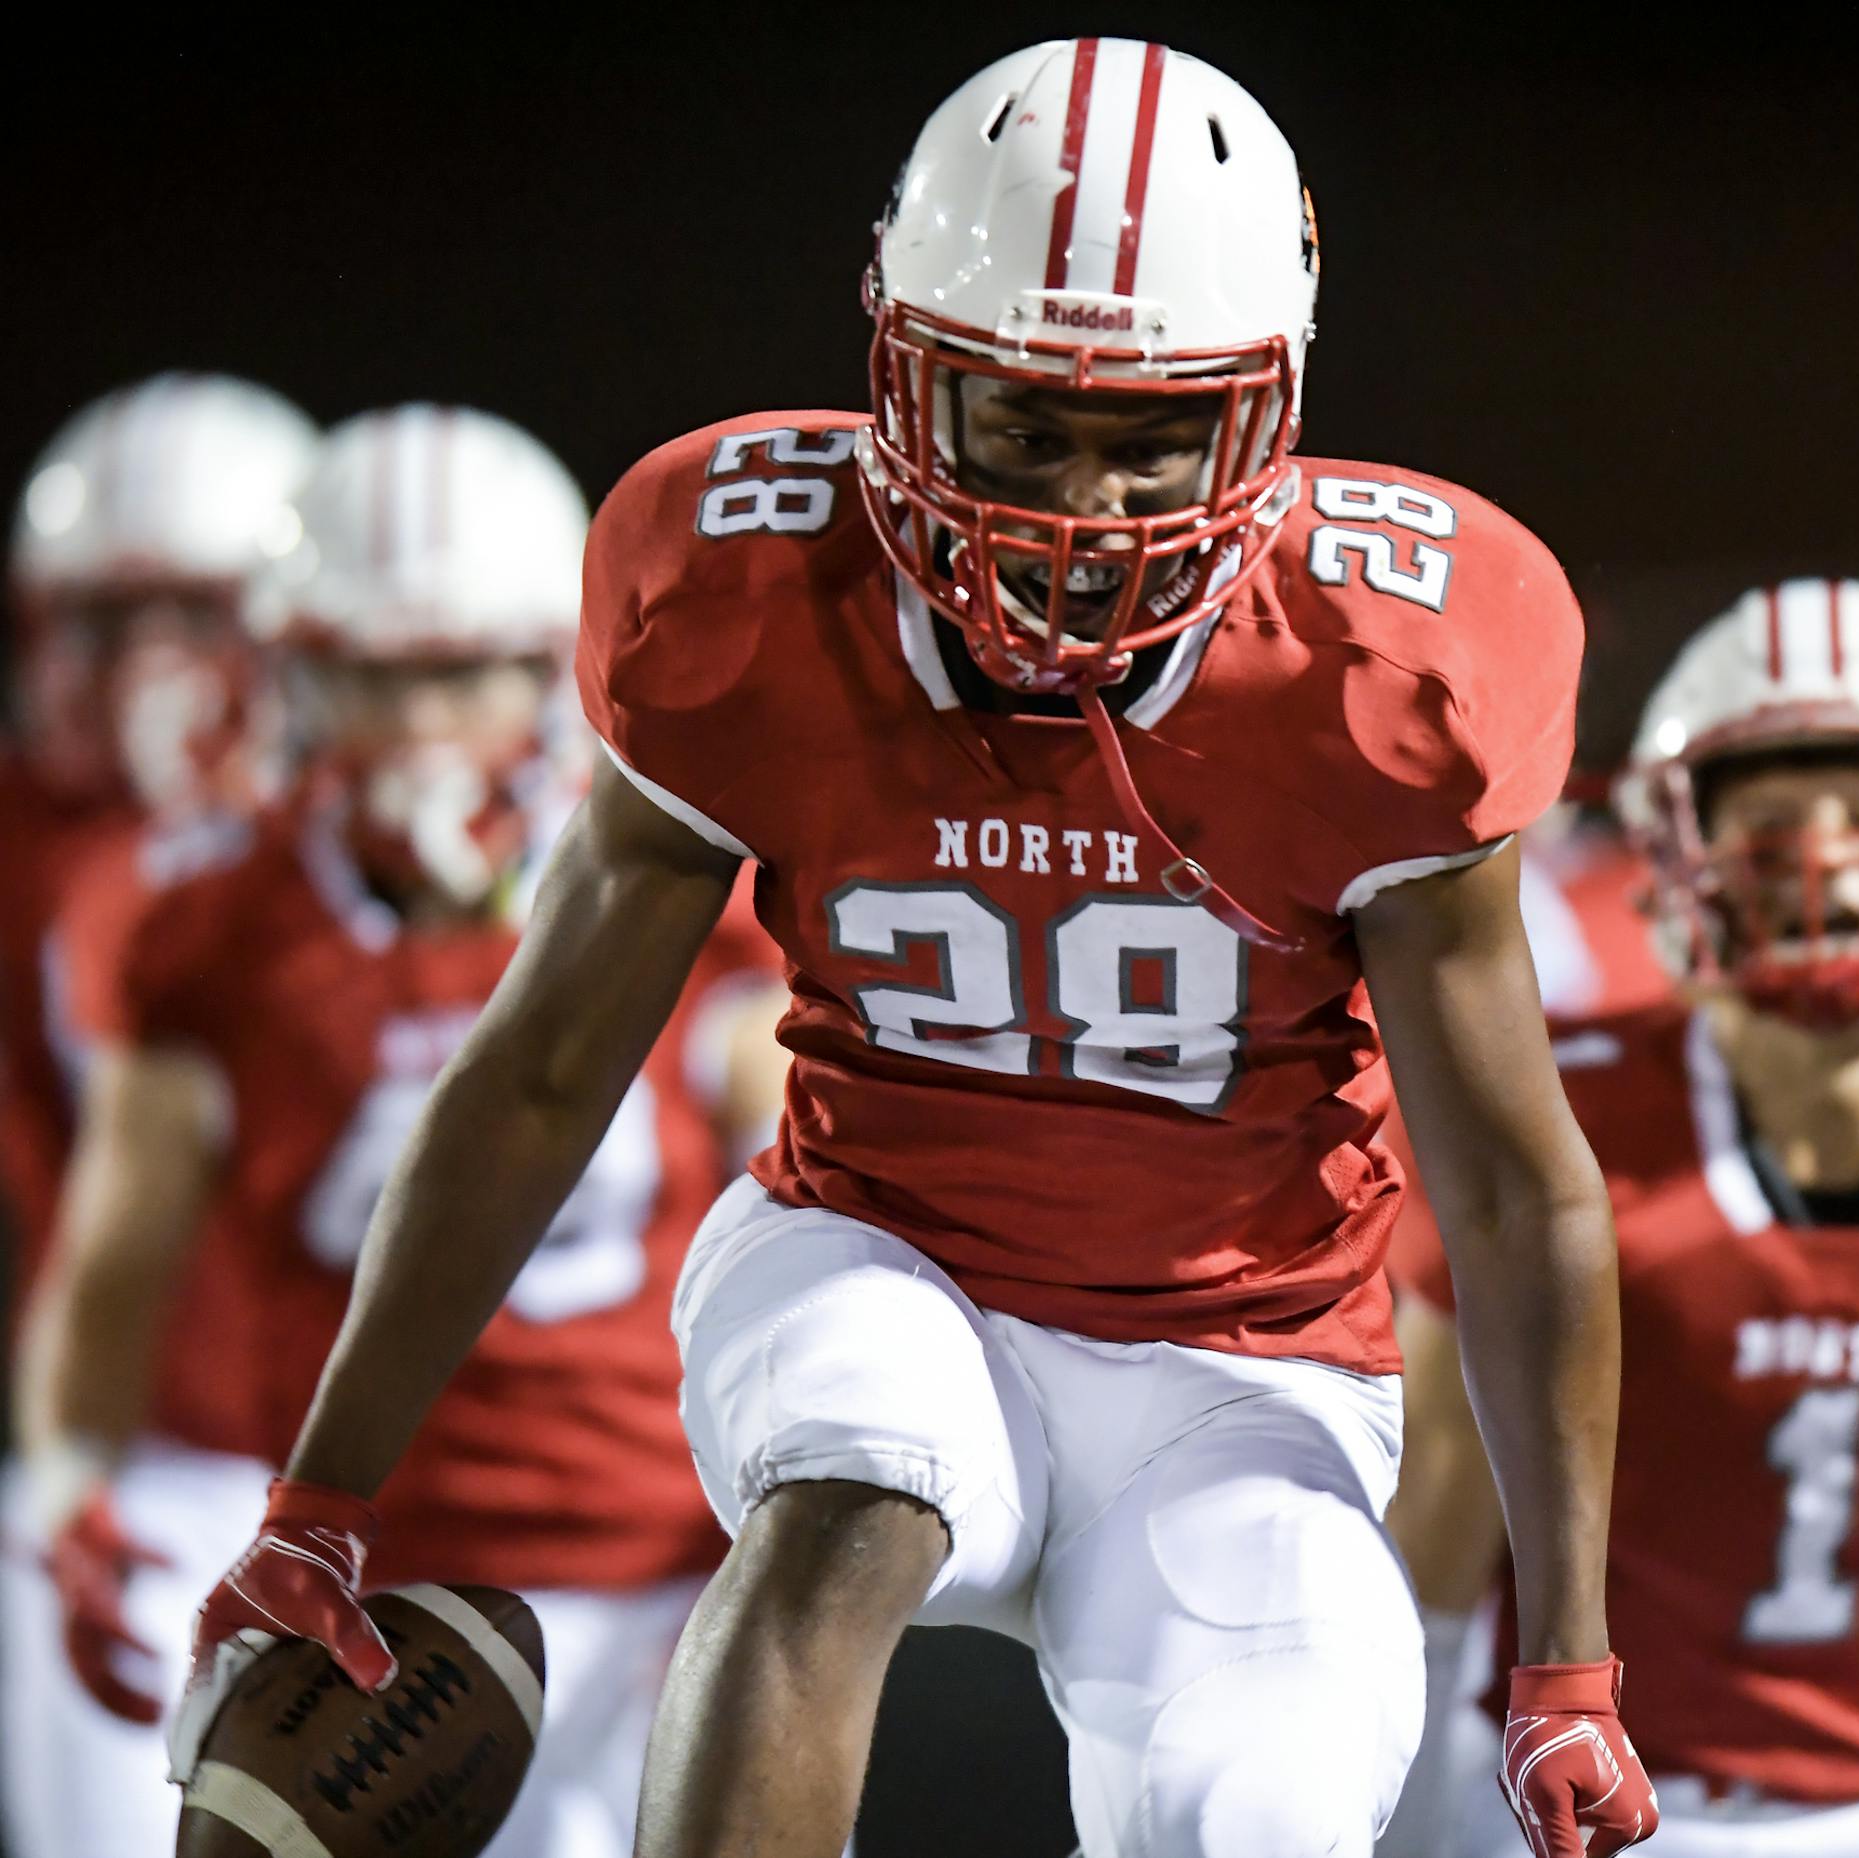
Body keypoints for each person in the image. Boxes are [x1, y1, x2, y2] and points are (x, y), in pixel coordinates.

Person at [170, 42, 1656, 1858]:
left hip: (1248, 1356)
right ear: (899, 372)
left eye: (1149, 437)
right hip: (875, 1253)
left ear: (1265, 416)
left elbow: (1517, 1192)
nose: (1082, 508)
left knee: (1248, 1808)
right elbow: (540, 1064)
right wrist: (325, 1491)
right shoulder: (744, 594)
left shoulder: (1388, 671)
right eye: (1022, 423)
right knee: (851, 1487)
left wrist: (1567, 1660)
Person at [13, 405, 788, 1857]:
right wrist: (72, 1477)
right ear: (297, 673)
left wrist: (786, 1535)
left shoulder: (683, 884)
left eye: (473, 671)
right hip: (370, 1586)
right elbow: (116, 1247)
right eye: (378, 678)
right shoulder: (213, 919)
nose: (430, 729)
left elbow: (806, 1196)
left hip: (660, 1566)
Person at [1396, 578, 1859, 1858]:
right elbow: (1424, 1562)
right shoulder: (1558, 1134)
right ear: (1672, 842)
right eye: (1774, 819)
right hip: (1579, 1814)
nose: (1826, 856)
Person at [0, 373, 319, 1857]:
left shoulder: (436, 849)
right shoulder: (41, 856)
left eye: (189, 618)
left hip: (431, 1470)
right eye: (105, 624)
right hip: (139, 1451)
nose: (147, 674)